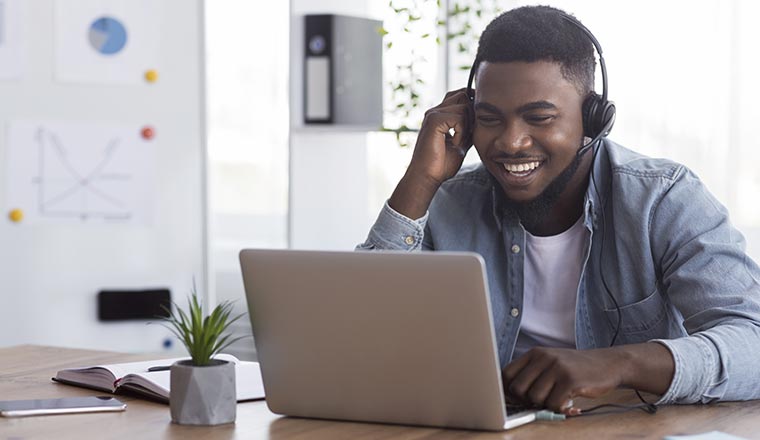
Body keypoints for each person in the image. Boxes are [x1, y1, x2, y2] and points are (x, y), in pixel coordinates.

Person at [358, 5, 760, 415]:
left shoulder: (663, 200)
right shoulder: (449, 201)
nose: (511, 142)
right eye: (490, 119)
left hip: (622, 429)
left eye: (539, 117)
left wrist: (621, 363)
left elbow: (754, 341)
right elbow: (357, 335)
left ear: (593, 118)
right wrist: (420, 180)